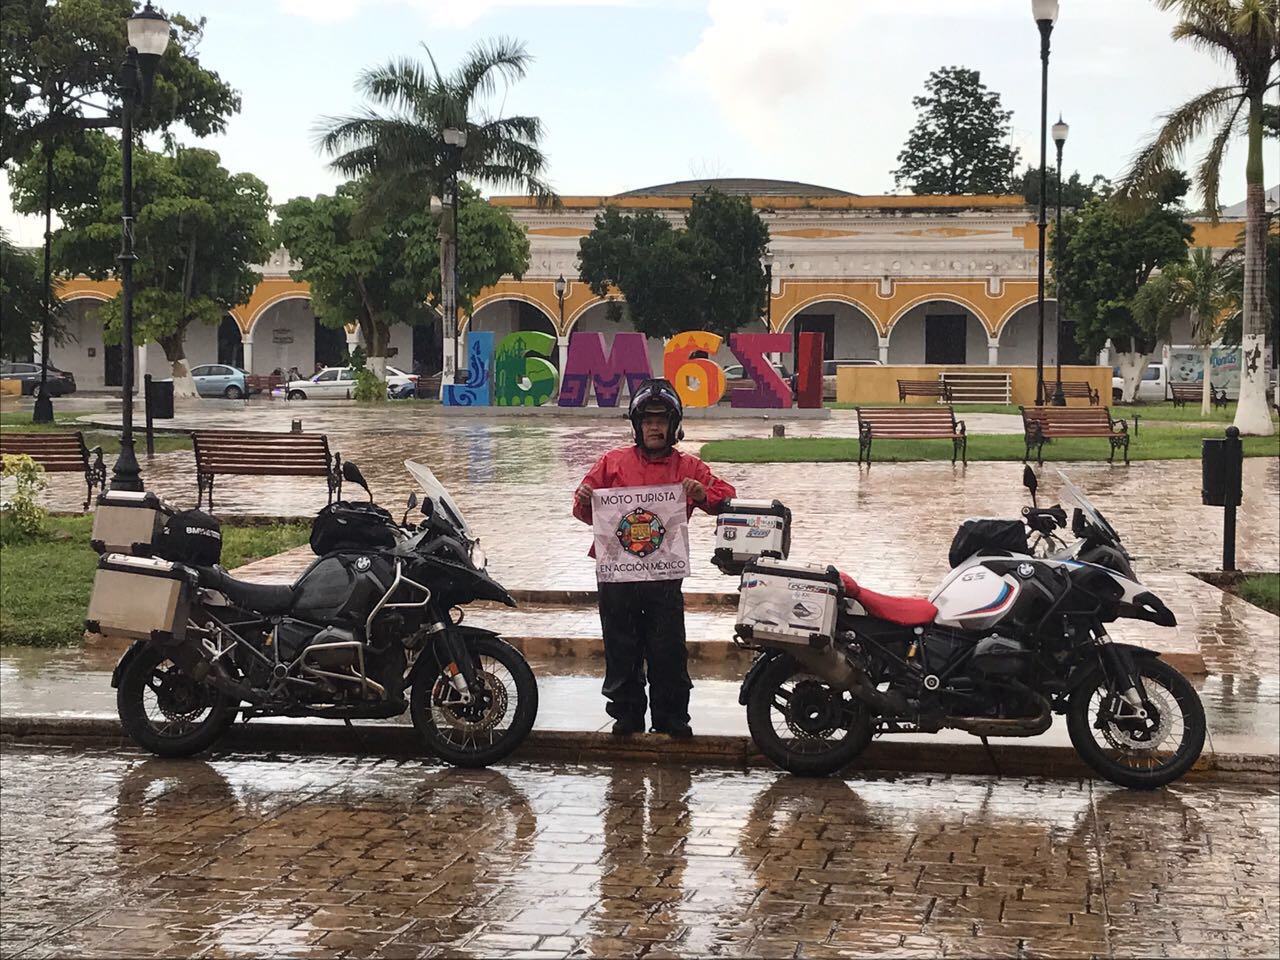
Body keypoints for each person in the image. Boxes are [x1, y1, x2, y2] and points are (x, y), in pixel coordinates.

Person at [572, 378, 735, 738]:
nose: (654, 427)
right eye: (647, 420)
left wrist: (702, 493)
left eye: (661, 421)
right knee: (621, 649)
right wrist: (585, 498)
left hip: (663, 579)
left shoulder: (689, 467)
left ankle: (672, 718)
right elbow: (584, 511)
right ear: (637, 425)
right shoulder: (611, 463)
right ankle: (627, 716)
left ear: (673, 426)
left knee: (668, 651)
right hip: (617, 577)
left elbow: (726, 497)